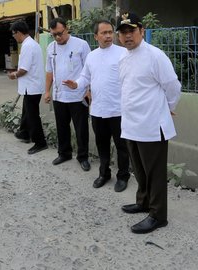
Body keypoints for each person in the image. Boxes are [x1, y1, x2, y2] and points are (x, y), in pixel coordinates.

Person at [116, 12, 181, 234]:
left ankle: (158, 215)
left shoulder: (155, 55)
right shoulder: (123, 58)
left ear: (142, 31)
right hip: (132, 125)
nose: (127, 36)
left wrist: (168, 108)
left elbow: (173, 86)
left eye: (131, 31)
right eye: (123, 33)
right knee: (140, 170)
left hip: (152, 126)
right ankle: (143, 202)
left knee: (154, 173)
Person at [62, 20, 130, 192]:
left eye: (110, 32)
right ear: (95, 36)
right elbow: (85, 77)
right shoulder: (92, 56)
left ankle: (123, 176)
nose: (108, 36)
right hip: (98, 110)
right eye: (104, 33)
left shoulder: (123, 53)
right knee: (102, 144)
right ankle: (104, 173)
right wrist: (76, 84)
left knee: (122, 146)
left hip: (118, 109)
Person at [44, 17, 92, 171]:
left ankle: (83, 157)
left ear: (67, 28)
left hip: (78, 95)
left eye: (60, 33)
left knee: (81, 128)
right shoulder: (51, 48)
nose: (58, 37)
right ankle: (64, 153)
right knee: (62, 127)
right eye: (54, 35)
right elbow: (49, 71)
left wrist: (89, 90)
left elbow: (90, 70)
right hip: (59, 96)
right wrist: (47, 91)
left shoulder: (81, 45)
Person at [8, 21, 47, 155]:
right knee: (27, 110)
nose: (14, 37)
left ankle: (40, 142)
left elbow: (23, 69)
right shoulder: (31, 44)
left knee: (32, 115)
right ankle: (24, 133)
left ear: (18, 32)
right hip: (31, 85)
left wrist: (14, 74)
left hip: (31, 86)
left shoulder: (27, 46)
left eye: (14, 34)